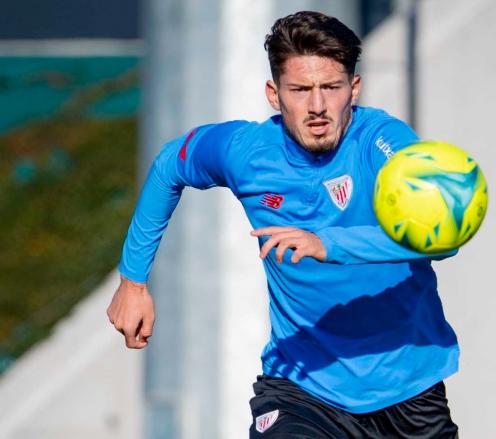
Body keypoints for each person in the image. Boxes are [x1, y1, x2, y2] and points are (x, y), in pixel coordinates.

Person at [107, 10, 461, 438]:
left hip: (409, 392)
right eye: (300, 89)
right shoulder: (246, 152)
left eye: (331, 88)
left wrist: (327, 244)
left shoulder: (383, 143)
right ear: (274, 94)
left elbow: (442, 238)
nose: (317, 106)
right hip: (302, 387)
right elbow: (170, 165)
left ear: (354, 88)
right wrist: (133, 280)